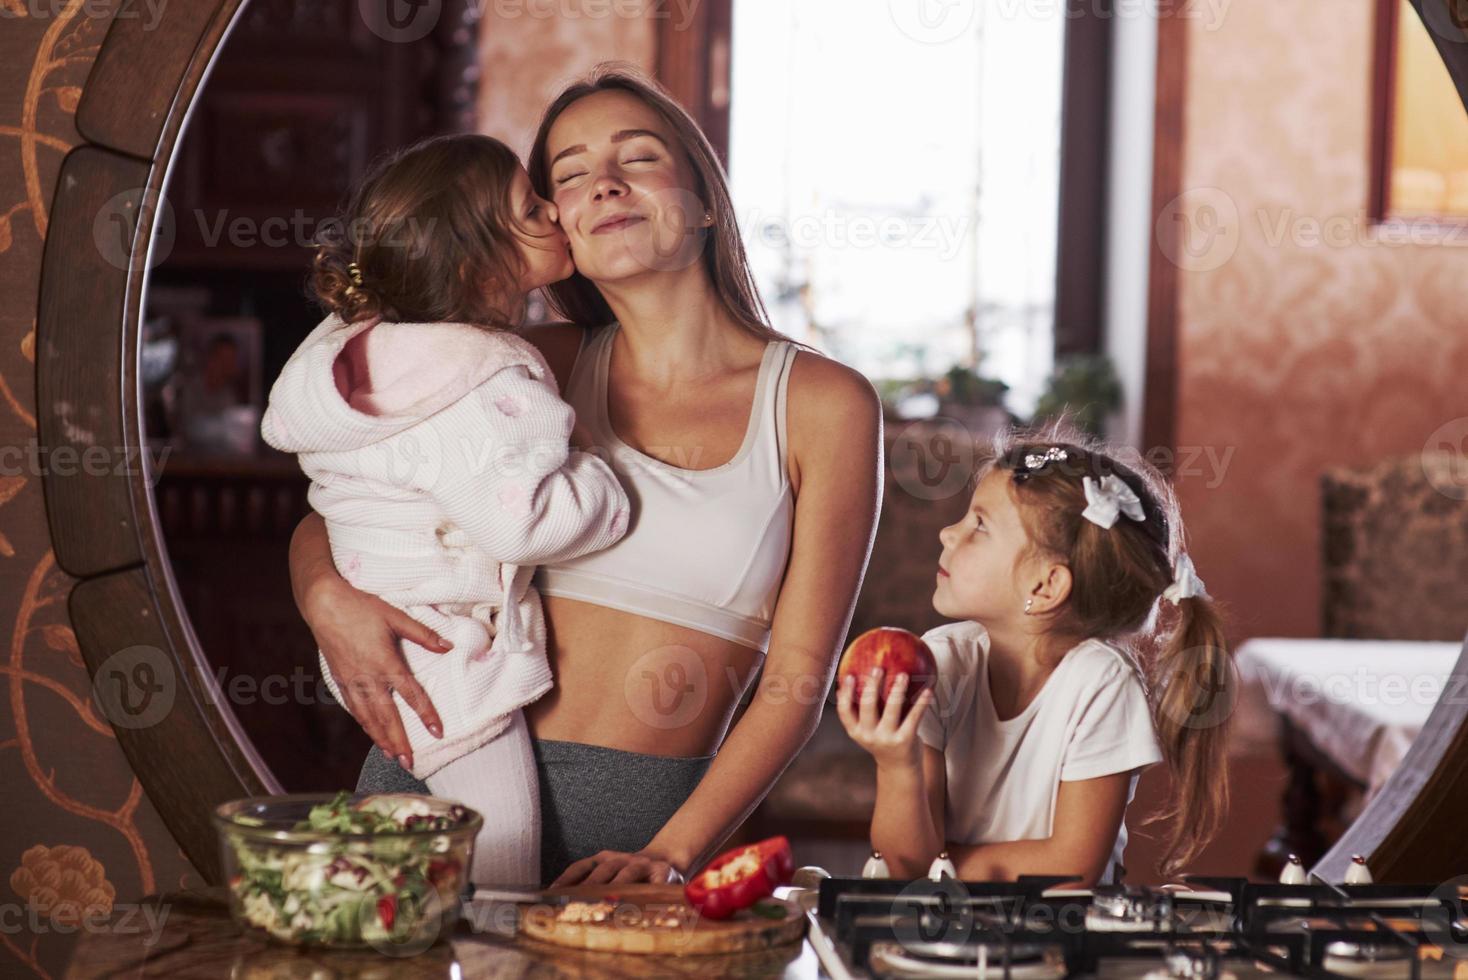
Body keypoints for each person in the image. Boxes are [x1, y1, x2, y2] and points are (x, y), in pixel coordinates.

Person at [286, 64, 884, 887]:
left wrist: (673, 853)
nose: (603, 185)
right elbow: (349, 502)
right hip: (436, 783)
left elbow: (797, 680)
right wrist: (324, 597)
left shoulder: (823, 404)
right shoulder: (520, 370)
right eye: (567, 175)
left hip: (637, 845)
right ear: (551, 226)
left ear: (705, 198)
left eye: (637, 158)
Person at [263, 133, 630, 887]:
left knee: (427, 889)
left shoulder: (366, 356)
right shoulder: (483, 379)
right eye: (535, 204)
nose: (558, 212)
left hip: (402, 628)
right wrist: (604, 480)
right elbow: (520, 523)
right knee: (501, 864)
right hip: (445, 654)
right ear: (476, 264)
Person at [838, 421, 1232, 885]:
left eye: (979, 525)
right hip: (945, 940)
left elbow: (1071, 871)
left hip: (1061, 938)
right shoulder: (941, 660)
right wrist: (896, 764)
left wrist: (940, 866)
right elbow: (902, 866)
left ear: (1045, 586)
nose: (947, 533)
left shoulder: (1101, 683)